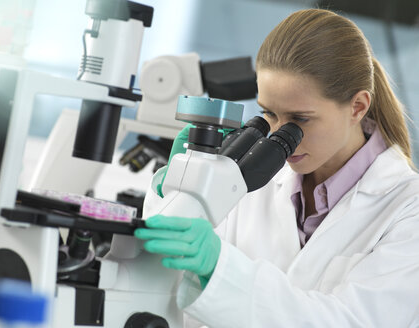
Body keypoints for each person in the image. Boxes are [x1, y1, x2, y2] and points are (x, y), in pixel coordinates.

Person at [134, 8, 419, 327]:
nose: (282, 136)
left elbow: (351, 321)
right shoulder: (244, 179)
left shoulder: (408, 210)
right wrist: (178, 193)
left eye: (300, 119)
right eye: (268, 113)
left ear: (357, 107)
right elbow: (168, 294)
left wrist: (222, 269)